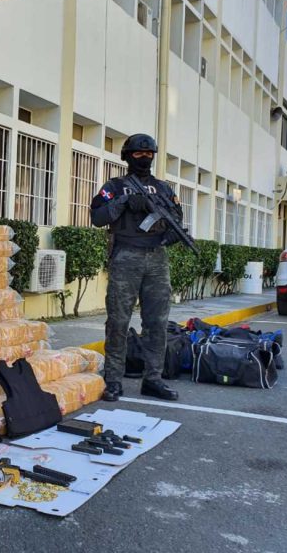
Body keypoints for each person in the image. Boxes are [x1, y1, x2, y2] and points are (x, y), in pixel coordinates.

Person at [90, 133, 183, 403]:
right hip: (126, 255)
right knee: (118, 321)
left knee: (157, 322)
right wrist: (124, 202)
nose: (144, 158)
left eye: (149, 154)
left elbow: (176, 219)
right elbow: (97, 217)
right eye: (138, 154)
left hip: (157, 258)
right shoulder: (115, 186)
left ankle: (153, 378)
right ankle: (113, 380)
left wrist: (171, 235)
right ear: (127, 156)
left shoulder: (163, 189)